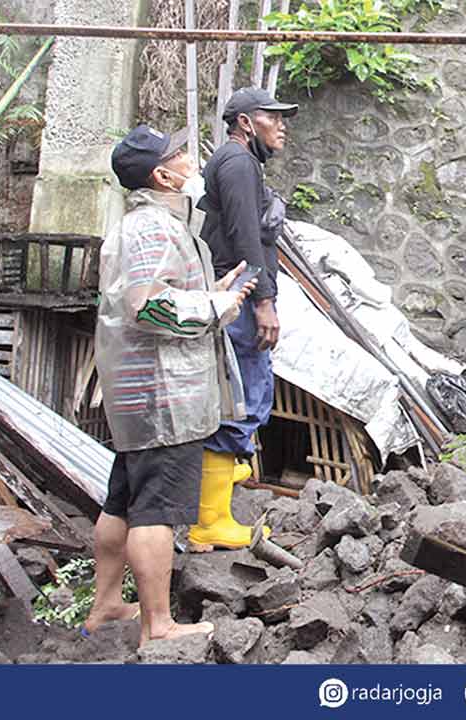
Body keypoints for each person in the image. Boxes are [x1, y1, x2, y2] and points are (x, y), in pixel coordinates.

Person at [86, 125, 255, 644]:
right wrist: (216, 306)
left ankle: (107, 605)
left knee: (122, 502)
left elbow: (158, 291)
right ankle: (158, 625)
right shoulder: (154, 228)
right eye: (179, 156)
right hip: (164, 397)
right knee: (155, 511)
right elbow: (148, 305)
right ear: (161, 175)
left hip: (142, 395)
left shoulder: (149, 225)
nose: (189, 161)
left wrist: (210, 291)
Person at [189, 87, 297, 551]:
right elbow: (244, 235)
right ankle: (209, 521)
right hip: (240, 290)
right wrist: (263, 299)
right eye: (274, 118)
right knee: (242, 398)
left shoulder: (239, 163)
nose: (283, 126)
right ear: (247, 124)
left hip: (240, 288)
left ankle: (215, 510)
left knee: (246, 395)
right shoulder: (235, 164)